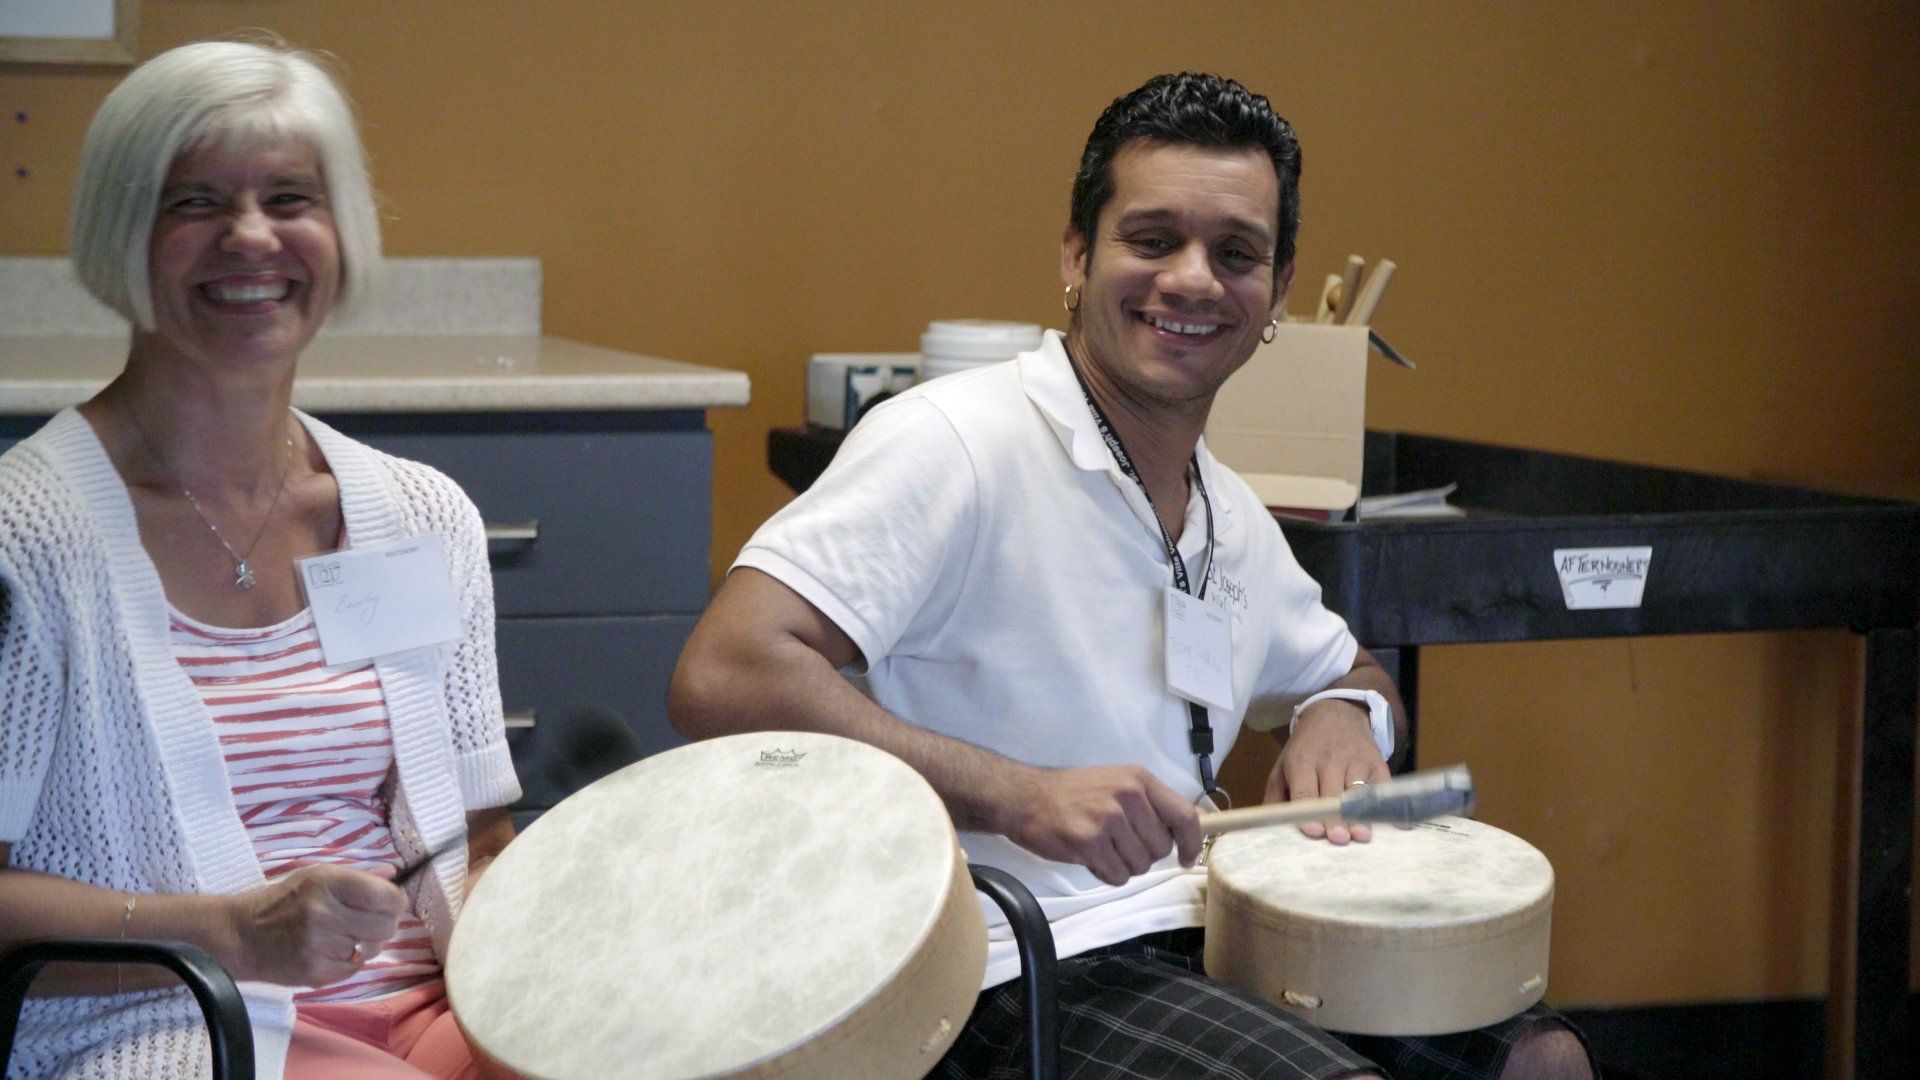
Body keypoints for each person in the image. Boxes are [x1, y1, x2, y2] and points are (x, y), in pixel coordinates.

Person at [670, 73, 1595, 1079]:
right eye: (1153, 240)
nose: (1194, 280)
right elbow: (723, 671)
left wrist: (1340, 718)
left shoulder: (1227, 512)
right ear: (1076, 254)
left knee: (1541, 1060)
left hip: (1208, 929)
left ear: (1279, 295)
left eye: (1235, 254)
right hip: (1006, 962)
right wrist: (1015, 794)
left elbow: (1353, 672)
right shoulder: (954, 442)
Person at [0, 42, 519, 1079]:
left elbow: (481, 836)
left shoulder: (423, 516)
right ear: (121, 234)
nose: (251, 238)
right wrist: (234, 932)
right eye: (194, 202)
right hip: (180, 1025)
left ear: (341, 235)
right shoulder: (28, 544)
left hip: (443, 1009)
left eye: (291, 198)